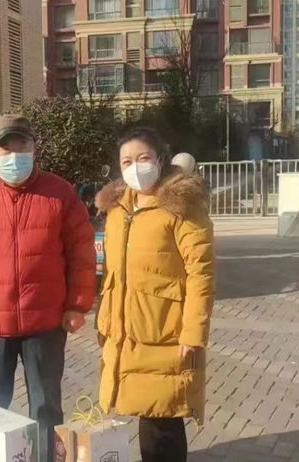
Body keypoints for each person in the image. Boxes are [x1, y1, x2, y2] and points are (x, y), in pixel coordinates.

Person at [0, 114, 97, 462]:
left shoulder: (60, 193)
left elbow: (82, 252)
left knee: (46, 406)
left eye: (22, 146)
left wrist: (77, 305)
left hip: (46, 323)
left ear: (34, 148)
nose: (15, 156)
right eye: (6, 149)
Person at [94, 127, 215, 462]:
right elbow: (112, 274)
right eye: (127, 161)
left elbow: (201, 274)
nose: (136, 167)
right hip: (126, 331)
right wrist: (104, 321)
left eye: (143, 158)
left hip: (166, 332)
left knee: (163, 416)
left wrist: (193, 332)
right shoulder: (117, 209)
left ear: (160, 159)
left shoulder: (182, 207)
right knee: (145, 411)